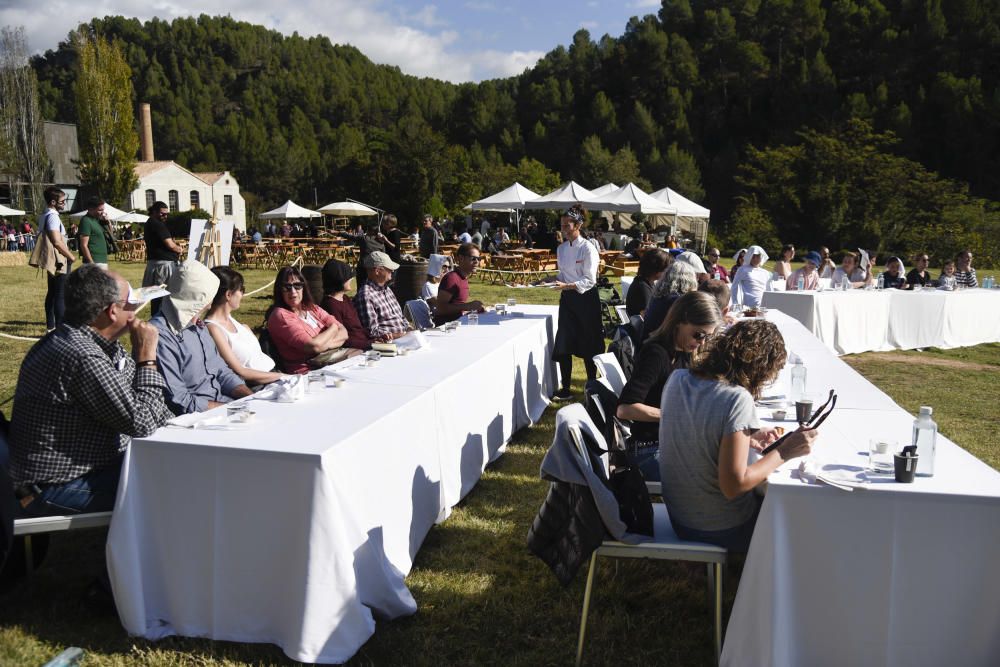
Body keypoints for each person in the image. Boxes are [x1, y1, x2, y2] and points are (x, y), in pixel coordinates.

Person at [9, 264, 171, 516]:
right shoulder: (82, 355)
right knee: (170, 488)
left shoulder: (99, 344)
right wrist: (147, 359)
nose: (137, 307)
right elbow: (143, 422)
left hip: (90, 468)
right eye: (132, 301)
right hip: (53, 486)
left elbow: (153, 411)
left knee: (175, 469)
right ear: (112, 311)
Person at [659, 319, 817, 552]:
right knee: (799, 514)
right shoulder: (736, 398)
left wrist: (746, 437)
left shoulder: (678, 379)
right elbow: (734, 485)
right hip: (721, 527)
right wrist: (784, 452)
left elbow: (695, 429)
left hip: (679, 519)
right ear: (761, 367)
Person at [616, 292, 722, 482]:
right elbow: (625, 409)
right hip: (649, 450)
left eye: (708, 337)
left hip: (669, 443)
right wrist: (674, 414)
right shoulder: (656, 354)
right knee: (720, 478)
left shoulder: (681, 351)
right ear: (679, 321)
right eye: (698, 335)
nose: (702, 343)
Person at [150, 260, 253, 414]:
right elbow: (178, 400)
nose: (211, 303)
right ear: (196, 297)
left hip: (222, 406)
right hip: (195, 420)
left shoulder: (198, 327)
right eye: (207, 296)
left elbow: (221, 371)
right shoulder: (161, 335)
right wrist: (231, 410)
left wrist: (251, 398)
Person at [551, 205, 603, 401]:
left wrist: (567, 285)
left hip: (587, 300)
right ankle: (566, 389)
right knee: (564, 341)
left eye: (567, 225)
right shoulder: (561, 248)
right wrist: (546, 280)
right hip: (568, 300)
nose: (563, 228)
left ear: (578, 225)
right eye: (562, 225)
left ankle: (592, 386)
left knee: (589, 343)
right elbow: (562, 274)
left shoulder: (588, 248)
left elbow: (590, 280)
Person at [267, 265, 356, 374]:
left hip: (331, 363)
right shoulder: (281, 316)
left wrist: (323, 345)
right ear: (279, 290)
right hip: (308, 373)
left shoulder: (312, 308)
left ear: (304, 287)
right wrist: (333, 328)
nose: (293, 292)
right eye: (287, 287)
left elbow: (344, 333)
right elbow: (313, 346)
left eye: (297, 285)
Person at [204, 267, 283, 385]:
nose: (242, 294)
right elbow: (240, 372)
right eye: (241, 290)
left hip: (273, 375)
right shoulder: (214, 329)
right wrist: (282, 376)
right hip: (259, 385)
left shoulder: (235, 323)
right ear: (229, 295)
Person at [33, 186, 76, 330]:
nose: (64, 203)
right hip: (59, 259)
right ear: (53, 202)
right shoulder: (52, 216)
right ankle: (59, 329)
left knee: (52, 292)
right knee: (60, 294)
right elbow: (56, 241)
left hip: (52, 259)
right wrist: (71, 256)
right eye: (62, 201)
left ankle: (51, 327)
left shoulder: (44, 215)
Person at [354, 251, 411, 342]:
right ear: (377, 271)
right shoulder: (366, 295)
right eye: (389, 268)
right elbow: (372, 331)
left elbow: (400, 317)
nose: (392, 271)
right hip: (389, 344)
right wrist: (401, 335)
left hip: (404, 339)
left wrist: (409, 329)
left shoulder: (387, 289)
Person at [641, 262, 699, 345]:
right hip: (660, 347)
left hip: (647, 343)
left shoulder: (658, 297)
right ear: (690, 281)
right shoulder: (678, 302)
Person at [142, 201, 183, 316]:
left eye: (166, 214)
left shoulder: (149, 222)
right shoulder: (157, 224)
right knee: (162, 296)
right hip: (162, 266)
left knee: (157, 296)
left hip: (155, 263)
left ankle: (157, 319)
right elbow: (170, 245)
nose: (165, 216)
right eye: (162, 213)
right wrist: (179, 249)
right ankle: (159, 321)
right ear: (154, 212)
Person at [320, 259, 371, 350]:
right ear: (339, 279)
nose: (351, 279)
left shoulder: (345, 299)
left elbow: (358, 328)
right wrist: (369, 344)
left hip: (364, 344)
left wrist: (375, 337)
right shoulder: (331, 304)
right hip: (354, 349)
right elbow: (342, 338)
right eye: (348, 277)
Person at [435, 243, 486, 324]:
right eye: (473, 258)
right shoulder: (451, 278)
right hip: (446, 328)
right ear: (461, 258)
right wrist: (467, 306)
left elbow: (456, 306)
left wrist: (472, 309)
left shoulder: (462, 278)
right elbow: (441, 308)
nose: (477, 262)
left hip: (458, 323)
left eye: (478, 258)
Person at [625, 248, 670, 318]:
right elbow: (647, 316)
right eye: (666, 269)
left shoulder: (645, 282)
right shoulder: (642, 287)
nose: (667, 272)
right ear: (657, 269)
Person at [78, 196, 113, 269]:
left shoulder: (98, 220)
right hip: (94, 262)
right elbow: (83, 245)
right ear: (91, 209)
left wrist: (108, 222)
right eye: (100, 210)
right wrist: (91, 263)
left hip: (102, 261)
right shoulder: (86, 221)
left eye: (103, 209)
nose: (103, 212)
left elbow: (111, 235)